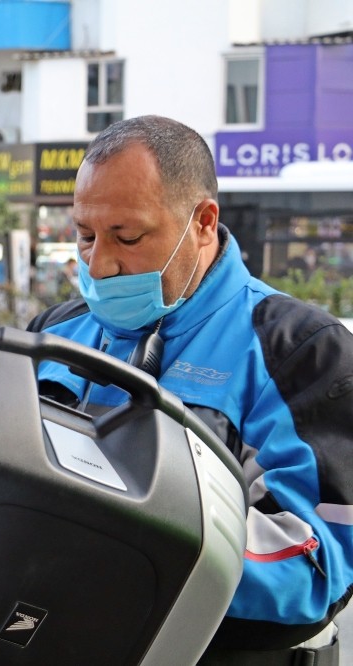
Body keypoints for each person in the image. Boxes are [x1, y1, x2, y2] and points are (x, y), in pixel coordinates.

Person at [27, 115, 352, 663]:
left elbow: (317, 568)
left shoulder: (301, 351)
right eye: (85, 235)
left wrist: (113, 550)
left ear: (202, 222)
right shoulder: (52, 334)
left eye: (127, 237)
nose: (100, 264)